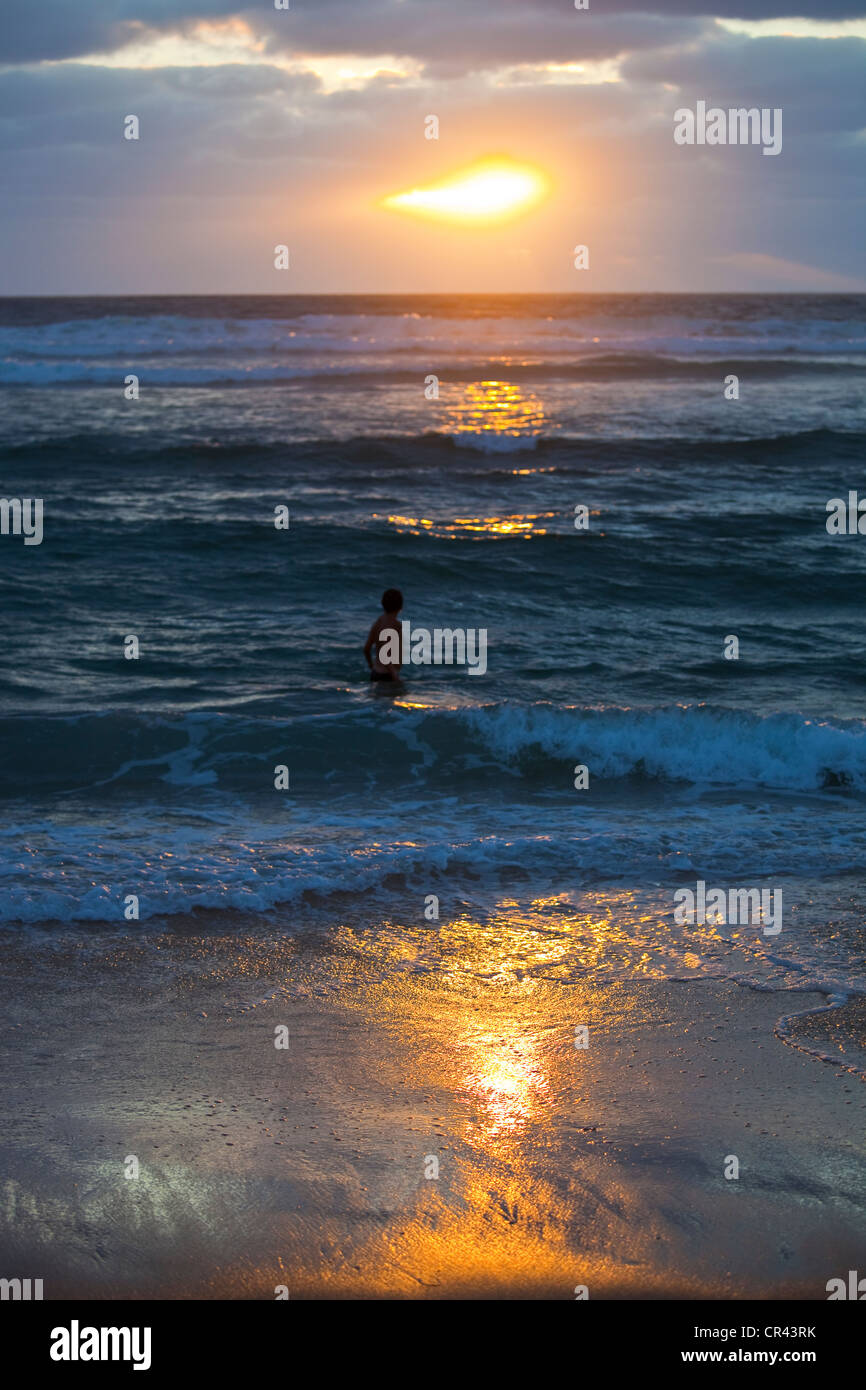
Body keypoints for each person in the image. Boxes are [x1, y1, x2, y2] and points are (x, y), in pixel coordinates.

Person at [364, 588, 403, 683]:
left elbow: (366, 649)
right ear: (400, 606)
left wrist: (371, 665)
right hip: (388, 675)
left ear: (382, 604)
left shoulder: (378, 622)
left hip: (375, 673)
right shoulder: (396, 625)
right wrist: (394, 675)